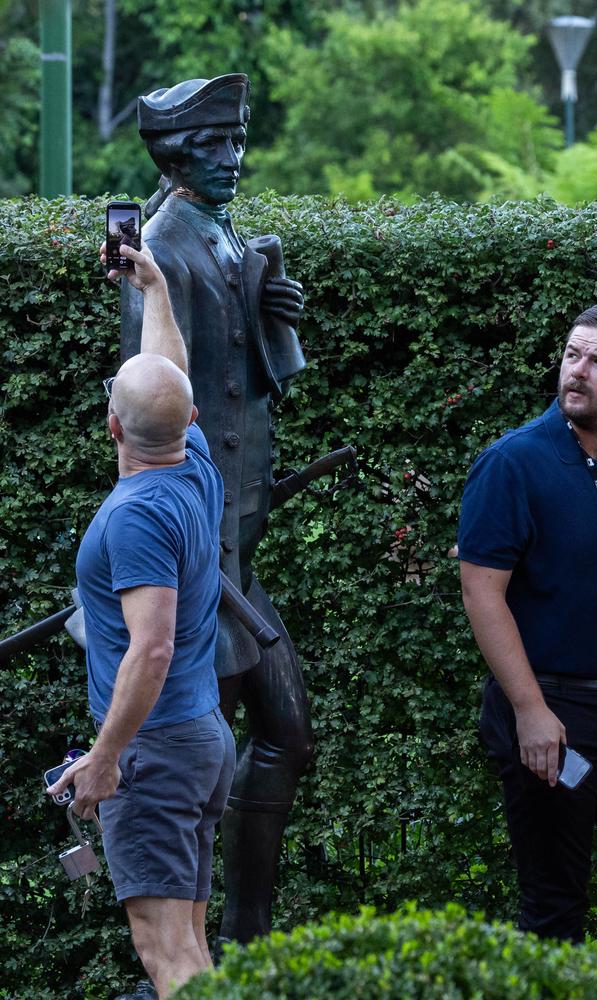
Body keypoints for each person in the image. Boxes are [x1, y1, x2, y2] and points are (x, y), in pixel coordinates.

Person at [120, 74, 314, 952]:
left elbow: (253, 377)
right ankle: (212, 948)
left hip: (242, 544)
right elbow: (150, 402)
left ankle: (238, 936)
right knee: (221, 754)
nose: (233, 160)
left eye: (238, 143)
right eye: (214, 147)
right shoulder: (161, 247)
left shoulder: (230, 238)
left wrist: (274, 320)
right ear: (176, 153)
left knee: (273, 740)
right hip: (205, 561)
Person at [48, 241, 236, 1000]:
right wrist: (153, 288)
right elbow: (168, 369)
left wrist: (104, 759)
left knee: (168, 953)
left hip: (155, 754)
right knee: (189, 939)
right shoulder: (194, 464)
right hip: (199, 740)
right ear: (189, 419)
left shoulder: (136, 520)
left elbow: (150, 649)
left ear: (110, 428)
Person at [458, 304, 597, 971]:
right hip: (557, 723)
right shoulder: (513, 464)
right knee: (554, 905)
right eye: (573, 355)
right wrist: (530, 710)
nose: (578, 371)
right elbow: (482, 592)